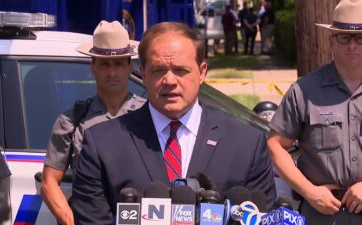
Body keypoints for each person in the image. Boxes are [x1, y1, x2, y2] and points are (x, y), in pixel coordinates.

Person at [71, 21, 276, 224]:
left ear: (202, 71)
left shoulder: (248, 144)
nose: (169, 80)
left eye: (180, 70)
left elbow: (263, 216)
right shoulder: (102, 144)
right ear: (143, 73)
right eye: (158, 70)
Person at [41, 21, 145, 225]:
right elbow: (49, 182)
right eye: (105, 64)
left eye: (118, 64)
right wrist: (70, 220)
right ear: (93, 67)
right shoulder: (72, 121)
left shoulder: (149, 115)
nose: (112, 72)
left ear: (129, 67)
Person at [267, 1, 362, 224]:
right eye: (344, 37)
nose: (352, 45)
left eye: (360, 38)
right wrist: (309, 191)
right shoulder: (304, 91)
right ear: (331, 40)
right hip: (321, 213)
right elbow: (275, 145)